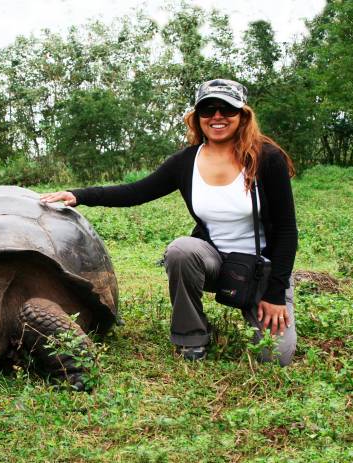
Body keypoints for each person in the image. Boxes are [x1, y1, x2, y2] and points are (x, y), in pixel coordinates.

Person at [40, 78, 297, 366]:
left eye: (227, 109)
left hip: (259, 268)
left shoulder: (266, 158)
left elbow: (287, 231)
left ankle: (264, 307)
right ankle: (192, 337)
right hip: (214, 262)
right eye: (207, 110)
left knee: (275, 357)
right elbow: (136, 192)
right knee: (181, 250)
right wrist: (78, 195)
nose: (217, 117)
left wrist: (275, 293)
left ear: (243, 115)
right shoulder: (186, 162)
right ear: (196, 118)